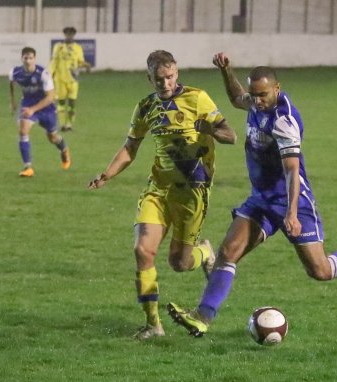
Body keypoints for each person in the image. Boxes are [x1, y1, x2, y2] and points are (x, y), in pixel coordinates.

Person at [167, 52, 337, 337]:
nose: (257, 100)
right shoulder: (255, 102)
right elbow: (238, 98)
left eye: (262, 94)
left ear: (277, 88)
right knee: (228, 253)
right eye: (255, 94)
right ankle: (203, 316)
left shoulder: (283, 121)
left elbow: (292, 170)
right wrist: (226, 71)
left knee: (320, 270)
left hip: (293, 202)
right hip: (262, 199)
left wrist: (290, 214)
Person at [87, 50, 237, 340]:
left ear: (176, 72)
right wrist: (107, 174)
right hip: (158, 189)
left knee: (179, 263)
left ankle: (204, 252)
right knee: (142, 250)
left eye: (169, 77)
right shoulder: (145, 107)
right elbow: (131, 147)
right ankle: (153, 325)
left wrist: (209, 129)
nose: (166, 84)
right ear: (149, 78)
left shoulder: (197, 98)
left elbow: (230, 135)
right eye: (159, 80)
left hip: (192, 192)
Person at [9, 47, 71, 177]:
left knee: (52, 137)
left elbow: (50, 97)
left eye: (30, 58)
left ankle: (64, 150)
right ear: (22, 58)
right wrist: (12, 101)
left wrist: (33, 109)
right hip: (27, 104)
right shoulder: (15, 72)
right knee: (23, 131)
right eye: (25, 58)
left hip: (46, 106)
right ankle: (28, 167)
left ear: (34, 59)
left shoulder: (43, 74)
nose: (28, 61)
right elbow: (11, 83)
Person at [49, 27, 91, 132]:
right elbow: (53, 62)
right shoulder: (58, 47)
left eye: (71, 34)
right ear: (64, 34)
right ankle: (63, 124)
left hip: (73, 79)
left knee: (72, 103)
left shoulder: (77, 48)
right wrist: (49, 75)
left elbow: (80, 61)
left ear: (74, 35)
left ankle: (69, 124)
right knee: (61, 103)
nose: (69, 36)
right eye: (67, 34)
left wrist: (86, 65)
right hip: (60, 79)